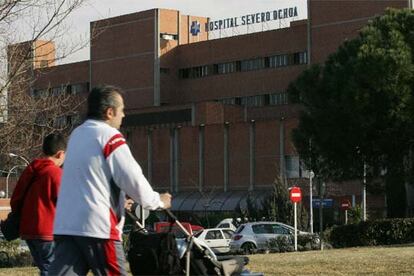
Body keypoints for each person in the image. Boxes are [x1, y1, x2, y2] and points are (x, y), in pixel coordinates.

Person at [49, 85, 172, 275]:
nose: (123, 115)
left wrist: (121, 200)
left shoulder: (76, 135)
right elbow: (132, 178)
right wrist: (158, 201)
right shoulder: (110, 137)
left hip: (67, 225)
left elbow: (89, 180)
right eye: (122, 110)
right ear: (109, 112)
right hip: (99, 227)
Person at [10, 133, 66, 276]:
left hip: (28, 230)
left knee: (45, 268)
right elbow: (65, 203)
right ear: (61, 154)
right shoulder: (56, 173)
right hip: (47, 231)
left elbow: (15, 200)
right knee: (52, 269)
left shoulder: (31, 170)